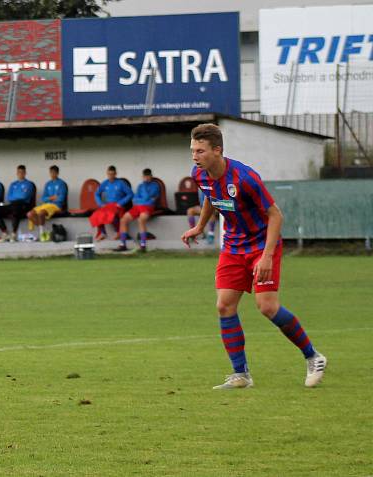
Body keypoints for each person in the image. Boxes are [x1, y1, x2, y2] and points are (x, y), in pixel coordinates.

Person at [181, 123, 326, 389]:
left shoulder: (244, 178)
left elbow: (275, 215)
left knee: (267, 307)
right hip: (234, 247)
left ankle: (313, 356)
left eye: (200, 151)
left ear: (217, 150)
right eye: (192, 150)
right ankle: (241, 374)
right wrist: (200, 227)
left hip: (262, 246)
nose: (194, 156)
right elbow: (210, 197)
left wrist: (268, 256)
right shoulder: (200, 174)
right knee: (224, 305)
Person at [115, 168, 160, 252]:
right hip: (138, 206)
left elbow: (149, 198)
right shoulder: (140, 186)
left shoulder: (155, 185)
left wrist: (143, 196)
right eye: (145, 176)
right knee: (123, 219)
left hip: (148, 207)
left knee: (141, 220)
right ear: (142, 176)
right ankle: (123, 244)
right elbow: (135, 199)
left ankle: (143, 245)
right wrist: (142, 200)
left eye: (148, 176)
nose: (146, 178)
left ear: (151, 176)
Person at [0, 165, 36, 242]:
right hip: (12, 204)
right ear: (17, 173)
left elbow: (24, 196)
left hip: (24, 205)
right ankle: (5, 232)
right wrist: (17, 196)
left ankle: (13, 234)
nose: (20, 174)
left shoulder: (29, 184)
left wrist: (16, 196)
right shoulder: (13, 184)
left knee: (15, 210)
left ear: (25, 173)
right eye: (19, 172)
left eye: (22, 172)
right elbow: (9, 197)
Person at [89, 165, 132, 241]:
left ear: (115, 174)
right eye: (109, 174)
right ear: (107, 174)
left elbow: (130, 194)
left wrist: (121, 202)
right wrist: (101, 204)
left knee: (113, 216)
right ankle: (103, 233)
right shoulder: (105, 183)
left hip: (118, 205)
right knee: (96, 214)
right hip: (108, 205)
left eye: (112, 174)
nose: (110, 176)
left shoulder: (121, 183)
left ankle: (119, 232)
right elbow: (97, 194)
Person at [27, 165, 67, 242]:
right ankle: (45, 230)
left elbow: (61, 199)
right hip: (46, 205)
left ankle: (42, 234)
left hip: (56, 206)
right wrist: (51, 198)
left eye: (54, 172)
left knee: (41, 213)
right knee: (30, 214)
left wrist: (51, 199)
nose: (52, 174)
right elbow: (43, 198)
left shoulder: (62, 184)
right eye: (51, 172)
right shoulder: (48, 184)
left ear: (57, 173)